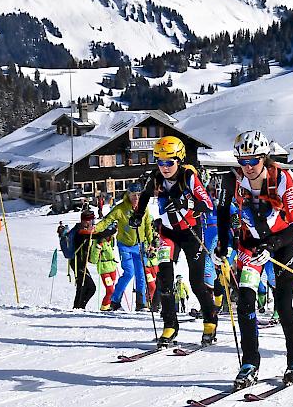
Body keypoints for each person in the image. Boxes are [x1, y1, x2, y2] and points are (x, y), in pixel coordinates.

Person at [214, 130, 293, 387]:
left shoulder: (282, 179)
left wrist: (274, 244)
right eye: (242, 161)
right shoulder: (232, 180)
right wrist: (222, 245)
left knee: (284, 305)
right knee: (245, 302)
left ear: (264, 158)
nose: (248, 167)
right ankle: (250, 362)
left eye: (253, 160)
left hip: (282, 244)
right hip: (251, 245)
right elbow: (222, 213)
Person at [131, 136, 214, 347]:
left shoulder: (189, 176)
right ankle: (170, 325)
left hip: (191, 232)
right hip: (168, 233)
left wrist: (185, 202)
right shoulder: (156, 177)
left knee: (196, 283)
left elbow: (208, 205)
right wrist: (138, 215)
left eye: (169, 162)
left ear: (179, 159)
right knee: (165, 280)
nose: (164, 167)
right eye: (160, 162)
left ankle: (210, 320)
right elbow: (145, 196)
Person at [94, 183, 153, 312]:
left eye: (138, 195)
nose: (136, 198)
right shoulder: (120, 209)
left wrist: (151, 242)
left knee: (141, 274)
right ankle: (115, 300)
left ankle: (141, 303)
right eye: (133, 195)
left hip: (140, 245)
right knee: (129, 272)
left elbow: (148, 226)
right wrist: (96, 228)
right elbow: (107, 220)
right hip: (125, 245)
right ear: (128, 195)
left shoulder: (144, 208)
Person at [71, 209, 115, 308]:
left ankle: (79, 307)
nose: (92, 223)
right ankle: (78, 307)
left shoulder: (81, 229)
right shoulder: (81, 231)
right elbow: (99, 235)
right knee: (88, 287)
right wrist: (112, 230)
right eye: (91, 221)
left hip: (81, 263)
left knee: (84, 286)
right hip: (77, 262)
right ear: (86, 221)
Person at [89, 232, 118, 311]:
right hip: (104, 269)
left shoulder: (111, 240)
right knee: (110, 290)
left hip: (112, 268)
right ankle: (104, 307)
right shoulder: (97, 242)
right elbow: (93, 260)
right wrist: (98, 248)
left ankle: (109, 305)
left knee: (112, 290)